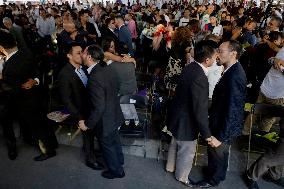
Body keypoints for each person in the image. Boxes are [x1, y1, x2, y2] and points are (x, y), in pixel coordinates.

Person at [166, 40, 219, 187]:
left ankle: (170, 167)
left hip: (177, 114)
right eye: (215, 56)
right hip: (187, 120)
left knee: (175, 143)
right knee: (187, 151)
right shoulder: (200, 77)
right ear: (207, 60)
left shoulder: (190, 67)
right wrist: (206, 134)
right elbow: (200, 109)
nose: (216, 59)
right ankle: (182, 177)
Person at [0, 30, 57, 161]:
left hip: (20, 99)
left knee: (35, 124)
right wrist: (35, 80)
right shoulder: (26, 52)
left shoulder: (11, 67)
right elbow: (36, 70)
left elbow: (10, 84)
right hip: (31, 96)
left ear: (2, 48)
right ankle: (48, 145)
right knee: (39, 123)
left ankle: (47, 150)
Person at [197, 40, 247, 188]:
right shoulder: (231, 69)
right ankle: (219, 174)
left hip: (222, 125)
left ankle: (212, 180)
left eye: (221, 51)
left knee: (217, 152)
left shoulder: (235, 75)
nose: (217, 54)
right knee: (220, 153)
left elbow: (233, 108)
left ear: (233, 54)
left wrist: (220, 136)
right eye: (217, 50)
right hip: (220, 120)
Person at [78, 45, 125, 179]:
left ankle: (116, 171)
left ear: (89, 57)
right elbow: (117, 85)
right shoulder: (107, 68)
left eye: (83, 53)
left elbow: (99, 107)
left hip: (105, 120)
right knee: (115, 141)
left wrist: (87, 124)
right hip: (114, 113)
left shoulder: (94, 77)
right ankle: (119, 162)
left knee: (108, 145)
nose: (81, 55)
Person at [57, 42, 104, 170]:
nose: (83, 55)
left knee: (92, 132)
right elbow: (66, 100)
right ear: (69, 56)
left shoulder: (83, 68)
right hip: (80, 111)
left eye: (82, 51)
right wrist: (79, 117)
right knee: (87, 134)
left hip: (91, 107)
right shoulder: (64, 74)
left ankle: (93, 152)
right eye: (78, 53)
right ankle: (90, 159)